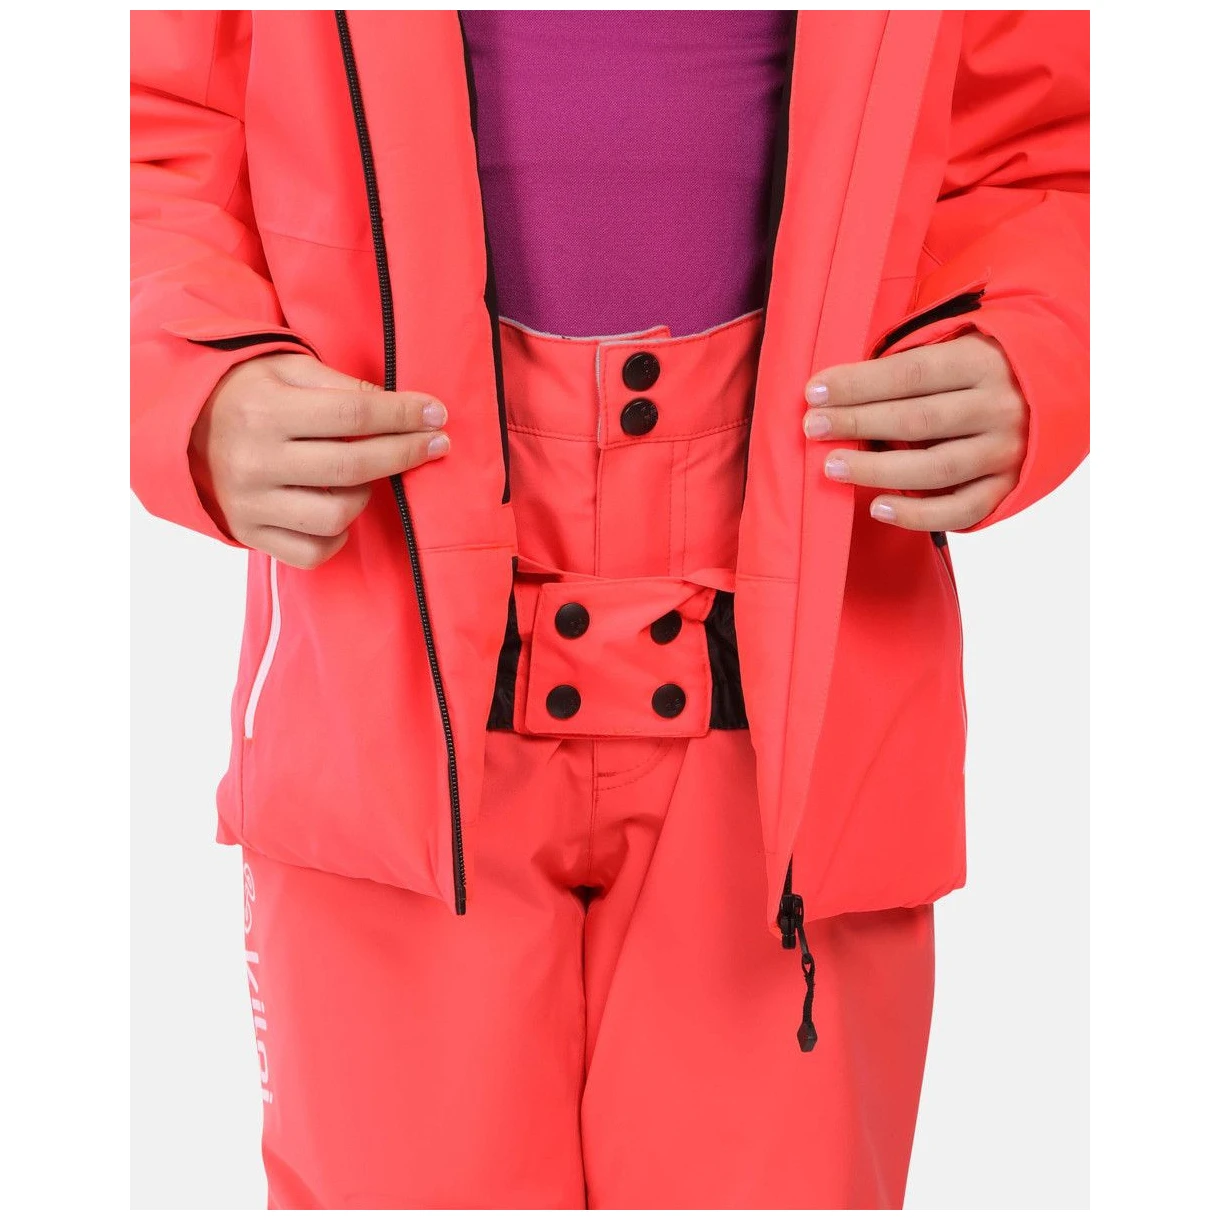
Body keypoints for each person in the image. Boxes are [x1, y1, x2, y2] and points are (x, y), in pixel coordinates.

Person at [130, 8, 1088, 1210]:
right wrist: (194, 376)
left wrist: (1031, 348)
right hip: (389, 667)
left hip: (803, 691)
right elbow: (137, 134)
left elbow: (1057, 152)